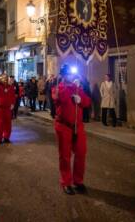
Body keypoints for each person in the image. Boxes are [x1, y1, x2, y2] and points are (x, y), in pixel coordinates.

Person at [52, 64, 91, 195]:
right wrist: (72, 87)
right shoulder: (58, 87)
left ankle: (78, 181)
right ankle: (66, 182)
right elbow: (60, 98)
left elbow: (86, 103)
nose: (71, 76)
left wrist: (79, 96)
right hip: (64, 126)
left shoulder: (77, 88)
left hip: (78, 127)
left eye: (72, 74)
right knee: (65, 156)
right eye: (68, 74)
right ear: (63, 75)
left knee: (81, 153)